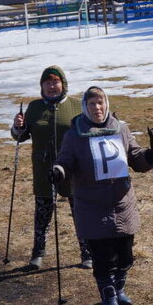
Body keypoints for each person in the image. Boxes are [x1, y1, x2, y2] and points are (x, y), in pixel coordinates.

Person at [51, 86, 153, 305]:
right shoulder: (75, 135)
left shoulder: (121, 129)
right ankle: (108, 295)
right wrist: (59, 171)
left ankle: (119, 287)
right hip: (91, 204)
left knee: (125, 253)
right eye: (92, 104)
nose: (97, 108)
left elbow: (135, 156)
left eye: (100, 103)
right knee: (102, 255)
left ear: (106, 104)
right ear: (85, 107)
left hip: (122, 203)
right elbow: (65, 161)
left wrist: (147, 158)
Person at [10, 66, 91, 270]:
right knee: (43, 214)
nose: (52, 87)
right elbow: (21, 135)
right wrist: (18, 126)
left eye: (55, 82)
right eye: (47, 83)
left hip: (73, 168)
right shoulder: (35, 107)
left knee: (80, 212)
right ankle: (38, 254)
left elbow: (87, 133)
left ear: (63, 84)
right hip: (44, 167)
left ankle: (87, 253)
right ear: (42, 86)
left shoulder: (76, 106)